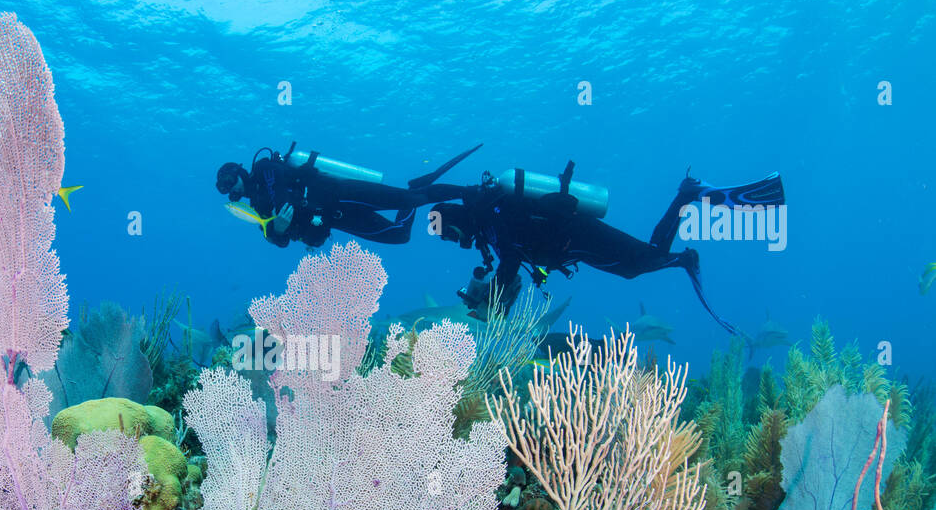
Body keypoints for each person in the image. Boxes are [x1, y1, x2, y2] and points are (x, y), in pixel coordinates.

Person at [431, 163, 785, 338]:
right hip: (573, 247)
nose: (454, 241)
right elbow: (516, 260)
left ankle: (686, 196)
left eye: (449, 236)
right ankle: (682, 258)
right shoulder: (490, 222)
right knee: (636, 266)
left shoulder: (494, 217)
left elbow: (510, 261)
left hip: (578, 236)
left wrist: (489, 301)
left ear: (455, 222)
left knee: (642, 260)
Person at [216, 143, 480, 247]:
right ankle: (414, 187)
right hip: (337, 220)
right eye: (225, 187)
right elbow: (277, 240)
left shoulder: (263, 169)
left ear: (241, 171)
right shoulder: (258, 206)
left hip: (338, 195)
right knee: (400, 236)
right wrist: (278, 230)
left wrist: (280, 223)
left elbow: (284, 193)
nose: (231, 188)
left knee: (412, 200)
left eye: (230, 180)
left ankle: (469, 192)